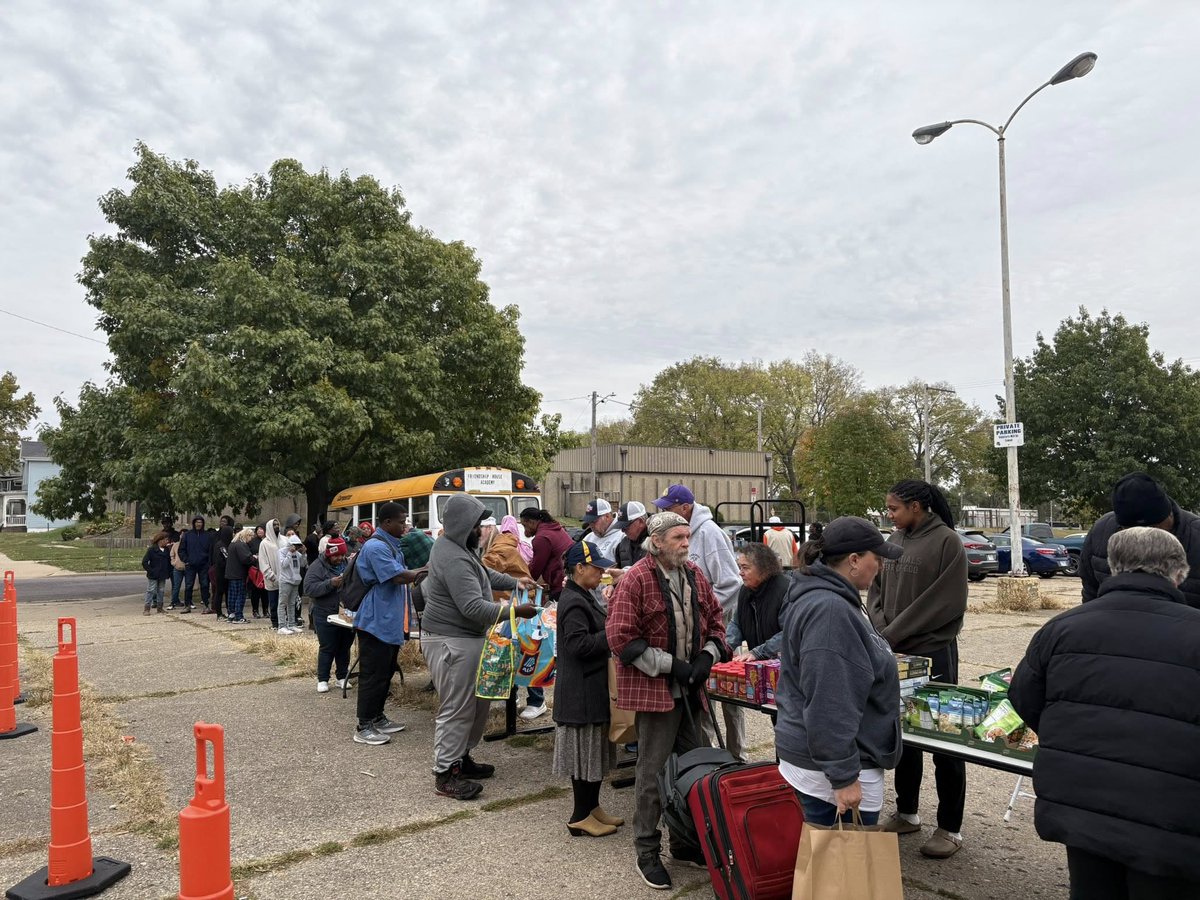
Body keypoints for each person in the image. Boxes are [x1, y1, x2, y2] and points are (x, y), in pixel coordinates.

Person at [1009, 527, 1200, 899]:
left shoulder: (1061, 628)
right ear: (1179, 573)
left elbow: (1024, 698)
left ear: (1114, 567)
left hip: (1083, 805)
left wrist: (1073, 738)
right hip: (1172, 818)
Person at [606, 511, 728, 890]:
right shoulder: (636, 579)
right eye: (678, 537)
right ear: (656, 541)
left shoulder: (695, 574)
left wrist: (707, 656)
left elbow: (717, 621)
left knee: (695, 771)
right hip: (656, 693)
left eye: (688, 536)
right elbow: (621, 638)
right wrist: (671, 665)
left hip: (692, 693)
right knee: (652, 775)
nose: (686, 543)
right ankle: (646, 851)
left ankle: (685, 843)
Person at [775, 516, 905, 827]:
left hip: (828, 761)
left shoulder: (831, 599)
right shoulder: (830, 610)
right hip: (831, 769)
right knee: (838, 856)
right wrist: (843, 776)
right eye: (877, 558)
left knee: (822, 855)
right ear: (854, 560)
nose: (881, 566)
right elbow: (830, 701)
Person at [867, 479, 968, 859]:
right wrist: (880, 627)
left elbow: (945, 601)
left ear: (916, 506)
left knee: (945, 739)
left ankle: (950, 827)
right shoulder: (894, 540)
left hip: (933, 654)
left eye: (894, 508)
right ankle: (907, 812)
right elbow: (875, 589)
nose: (889, 514)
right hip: (894, 652)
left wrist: (893, 632)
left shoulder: (947, 542)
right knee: (902, 734)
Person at [421, 494, 538, 799]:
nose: (482, 529)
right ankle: (445, 773)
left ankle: (461, 759)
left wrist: (515, 583)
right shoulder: (453, 556)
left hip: (466, 638)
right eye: (477, 524)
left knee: (477, 703)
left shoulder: (459, 548)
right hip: (451, 640)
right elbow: (472, 607)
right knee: (458, 707)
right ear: (463, 525)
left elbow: (483, 574)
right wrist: (515, 611)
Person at [653, 484, 746, 762]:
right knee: (703, 693)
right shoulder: (680, 534)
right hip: (694, 628)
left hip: (718, 625)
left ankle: (737, 756)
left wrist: (702, 612)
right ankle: (709, 758)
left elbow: (731, 583)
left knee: (730, 695)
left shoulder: (709, 533)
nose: (664, 512)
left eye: (669, 507)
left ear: (685, 508)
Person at [553, 541, 623, 838]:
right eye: (596, 567)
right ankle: (580, 815)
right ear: (579, 568)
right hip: (579, 693)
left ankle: (592, 807)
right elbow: (578, 645)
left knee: (594, 754)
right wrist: (612, 633)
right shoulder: (573, 601)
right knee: (585, 757)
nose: (601, 572)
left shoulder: (582, 594)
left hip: (590, 688)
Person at [353, 501, 427, 746]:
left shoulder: (392, 545)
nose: (405, 526)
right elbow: (397, 576)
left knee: (386, 672)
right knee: (372, 675)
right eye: (401, 522)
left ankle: (378, 716)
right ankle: (364, 725)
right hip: (376, 622)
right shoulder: (376, 547)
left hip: (390, 621)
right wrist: (426, 570)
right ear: (386, 523)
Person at [1080, 471, 1200, 608]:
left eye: (1154, 528)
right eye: (1132, 531)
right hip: (1115, 620)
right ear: (1120, 527)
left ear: (1169, 515)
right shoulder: (1101, 531)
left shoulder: (1196, 536)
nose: (1144, 537)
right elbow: (1090, 590)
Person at [519, 507, 575, 719]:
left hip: (560, 585)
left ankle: (545, 685)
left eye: (525, 524)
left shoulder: (541, 538)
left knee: (544, 636)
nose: (525, 530)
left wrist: (523, 580)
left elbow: (535, 569)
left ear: (533, 522)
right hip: (568, 581)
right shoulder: (555, 528)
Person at [304, 537, 355, 694]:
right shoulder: (317, 567)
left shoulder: (347, 563)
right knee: (327, 647)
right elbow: (309, 589)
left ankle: (342, 676)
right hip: (324, 612)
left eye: (342, 555)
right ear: (329, 554)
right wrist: (330, 583)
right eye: (336, 555)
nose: (340, 558)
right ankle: (323, 679)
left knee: (344, 646)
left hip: (345, 613)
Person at [727, 543, 789, 661]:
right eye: (740, 567)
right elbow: (737, 624)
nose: (740, 572)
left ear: (764, 569)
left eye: (745, 567)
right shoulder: (745, 590)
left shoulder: (785, 591)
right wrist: (723, 648)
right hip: (757, 666)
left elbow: (789, 633)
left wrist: (758, 652)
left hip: (784, 665)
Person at [179, 515, 214, 613]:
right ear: (194, 523)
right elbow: (181, 550)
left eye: (200, 522)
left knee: (205, 585)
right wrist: (186, 560)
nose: (199, 524)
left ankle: (206, 605)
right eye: (197, 522)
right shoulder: (187, 535)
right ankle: (187, 605)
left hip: (204, 565)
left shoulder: (207, 535)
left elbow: (211, 550)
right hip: (190, 565)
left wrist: (208, 562)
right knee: (188, 585)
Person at [224, 527, 256, 624]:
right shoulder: (241, 545)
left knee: (232, 595)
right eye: (251, 537)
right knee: (240, 595)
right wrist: (254, 558)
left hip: (231, 573)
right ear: (247, 535)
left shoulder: (233, 543)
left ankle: (231, 614)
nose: (251, 539)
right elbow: (246, 559)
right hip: (239, 574)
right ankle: (238, 616)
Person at [276, 535, 305, 634]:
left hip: (295, 580)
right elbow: (283, 565)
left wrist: (303, 553)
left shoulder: (298, 554)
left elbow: (303, 564)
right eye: (295, 545)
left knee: (292, 603)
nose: (296, 548)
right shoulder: (281, 552)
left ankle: (291, 624)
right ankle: (281, 626)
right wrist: (289, 553)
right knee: (282, 603)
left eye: (298, 546)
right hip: (285, 580)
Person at [206, 522, 234, 617]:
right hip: (221, 572)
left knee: (227, 592)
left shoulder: (228, 544)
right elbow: (225, 558)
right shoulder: (220, 545)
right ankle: (219, 613)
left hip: (227, 572)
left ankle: (230, 611)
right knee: (219, 592)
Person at [258, 519, 282, 628]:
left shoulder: (284, 540)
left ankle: (284, 622)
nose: (276, 526)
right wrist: (272, 576)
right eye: (274, 525)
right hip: (272, 579)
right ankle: (275, 622)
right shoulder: (264, 543)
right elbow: (263, 562)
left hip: (284, 578)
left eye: (278, 524)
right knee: (273, 602)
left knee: (284, 603)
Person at [141, 531, 172, 615]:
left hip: (163, 574)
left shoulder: (166, 550)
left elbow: (168, 562)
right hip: (153, 574)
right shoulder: (152, 550)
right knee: (150, 590)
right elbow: (144, 562)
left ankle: (160, 608)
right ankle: (147, 609)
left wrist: (168, 572)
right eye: (166, 540)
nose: (167, 541)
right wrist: (151, 571)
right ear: (160, 540)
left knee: (161, 591)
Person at [613, 501, 649, 570]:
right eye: (621, 527)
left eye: (626, 526)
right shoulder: (622, 546)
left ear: (641, 522)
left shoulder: (658, 542)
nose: (622, 531)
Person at [247, 524, 267, 619]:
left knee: (265, 591)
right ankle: (255, 610)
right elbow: (248, 553)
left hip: (266, 569)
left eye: (261, 529)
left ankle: (265, 610)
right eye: (258, 529)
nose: (259, 531)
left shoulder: (268, 541)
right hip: (255, 569)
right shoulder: (252, 541)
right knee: (255, 591)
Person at [169, 532, 186, 608]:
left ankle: (189, 602)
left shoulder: (190, 544)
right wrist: (174, 563)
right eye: (181, 535)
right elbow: (172, 555)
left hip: (188, 568)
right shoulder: (176, 545)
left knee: (189, 586)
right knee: (176, 586)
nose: (182, 536)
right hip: (177, 568)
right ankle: (173, 602)